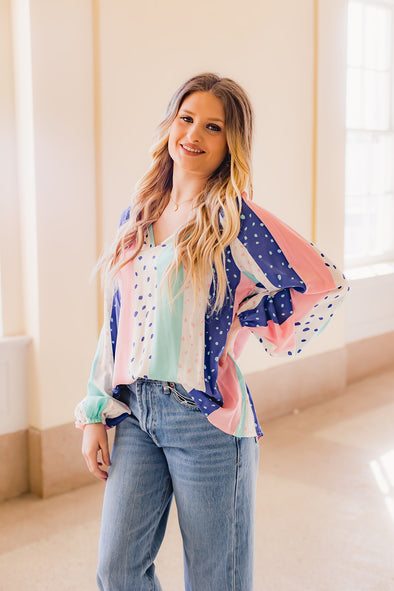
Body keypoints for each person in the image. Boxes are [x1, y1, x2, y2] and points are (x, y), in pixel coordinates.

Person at [75, 73, 349, 591]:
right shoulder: (137, 218)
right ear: (170, 126)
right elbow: (117, 325)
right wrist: (95, 412)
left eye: (213, 126)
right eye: (186, 118)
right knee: (117, 570)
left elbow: (320, 280)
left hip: (207, 423)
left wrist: (246, 314)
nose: (194, 134)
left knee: (215, 581)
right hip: (135, 413)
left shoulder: (234, 220)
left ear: (231, 142)